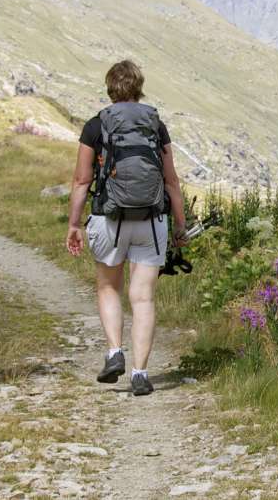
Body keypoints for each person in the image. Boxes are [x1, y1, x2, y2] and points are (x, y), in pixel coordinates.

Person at [65, 60, 187, 397]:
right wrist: (179, 225)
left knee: (108, 288)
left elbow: (81, 179)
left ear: (110, 88)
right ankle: (140, 373)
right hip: (151, 219)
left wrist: (74, 223)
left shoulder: (95, 126)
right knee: (143, 296)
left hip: (110, 218)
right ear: (139, 87)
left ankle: (115, 351)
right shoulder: (155, 125)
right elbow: (171, 181)